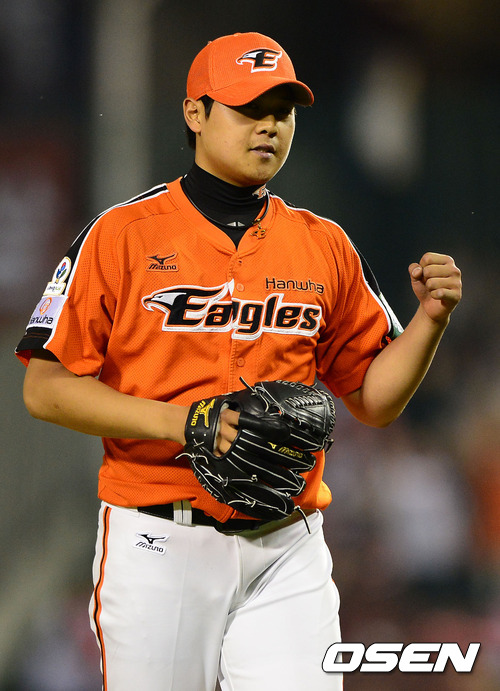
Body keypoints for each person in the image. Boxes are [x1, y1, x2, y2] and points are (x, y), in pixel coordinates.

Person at [16, 31, 462, 691]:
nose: (269, 126)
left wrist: (429, 321)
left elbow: (374, 400)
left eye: (282, 111)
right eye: (249, 109)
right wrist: (183, 422)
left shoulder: (323, 245)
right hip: (160, 540)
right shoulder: (121, 235)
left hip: (287, 542)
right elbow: (45, 387)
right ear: (195, 113)